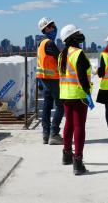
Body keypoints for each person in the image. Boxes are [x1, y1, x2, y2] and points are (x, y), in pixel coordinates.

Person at [58, 24, 94, 176]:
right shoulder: (78, 53)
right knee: (79, 126)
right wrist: (88, 93)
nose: (80, 34)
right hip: (79, 95)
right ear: (72, 37)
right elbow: (81, 76)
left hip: (65, 95)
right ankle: (78, 162)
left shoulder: (62, 54)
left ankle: (66, 155)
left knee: (69, 125)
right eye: (77, 33)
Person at [36, 17, 64, 145]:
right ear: (46, 28)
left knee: (47, 106)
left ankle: (45, 134)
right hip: (53, 80)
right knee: (60, 106)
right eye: (52, 26)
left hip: (44, 80)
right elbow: (60, 60)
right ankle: (54, 133)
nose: (55, 28)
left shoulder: (40, 44)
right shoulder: (50, 43)